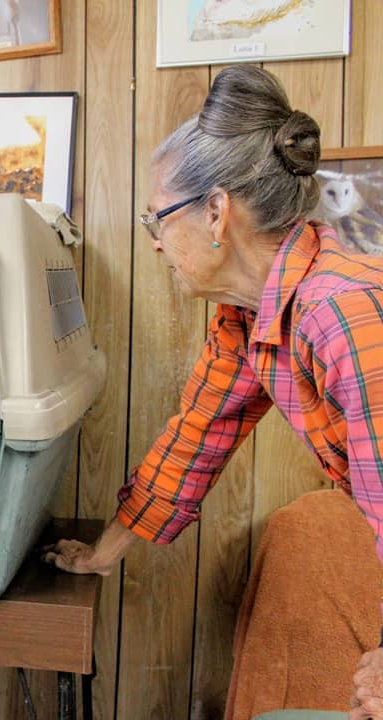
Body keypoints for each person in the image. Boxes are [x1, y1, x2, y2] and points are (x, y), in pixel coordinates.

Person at [41, 65, 383, 717]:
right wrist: (102, 555)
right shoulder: (252, 315)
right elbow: (195, 437)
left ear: (218, 212)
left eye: (158, 217)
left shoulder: (338, 315)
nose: (155, 241)